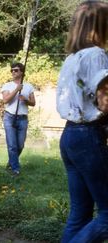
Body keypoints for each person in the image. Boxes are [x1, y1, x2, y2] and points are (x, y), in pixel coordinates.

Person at [56, 1, 108, 242]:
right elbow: (105, 99)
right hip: (88, 136)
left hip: (70, 136)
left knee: (80, 214)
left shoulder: (72, 58)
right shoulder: (96, 55)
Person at [1, 62, 35, 175]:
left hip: (22, 118)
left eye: (15, 70)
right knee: (12, 145)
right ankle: (15, 169)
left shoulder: (29, 86)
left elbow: (33, 103)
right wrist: (16, 90)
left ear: (21, 72)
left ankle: (11, 162)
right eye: (12, 70)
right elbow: (5, 100)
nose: (13, 72)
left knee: (20, 145)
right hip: (9, 117)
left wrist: (25, 100)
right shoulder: (7, 85)